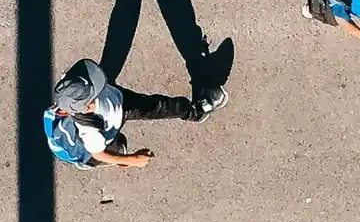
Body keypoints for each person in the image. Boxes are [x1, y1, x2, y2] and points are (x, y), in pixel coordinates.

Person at [43, 58, 228, 169]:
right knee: (156, 109)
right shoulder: (90, 132)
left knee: (155, 105)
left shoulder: (72, 95)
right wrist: (132, 160)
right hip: (116, 115)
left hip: (118, 99)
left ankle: (193, 112)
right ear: (86, 106)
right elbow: (98, 152)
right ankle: (90, 162)